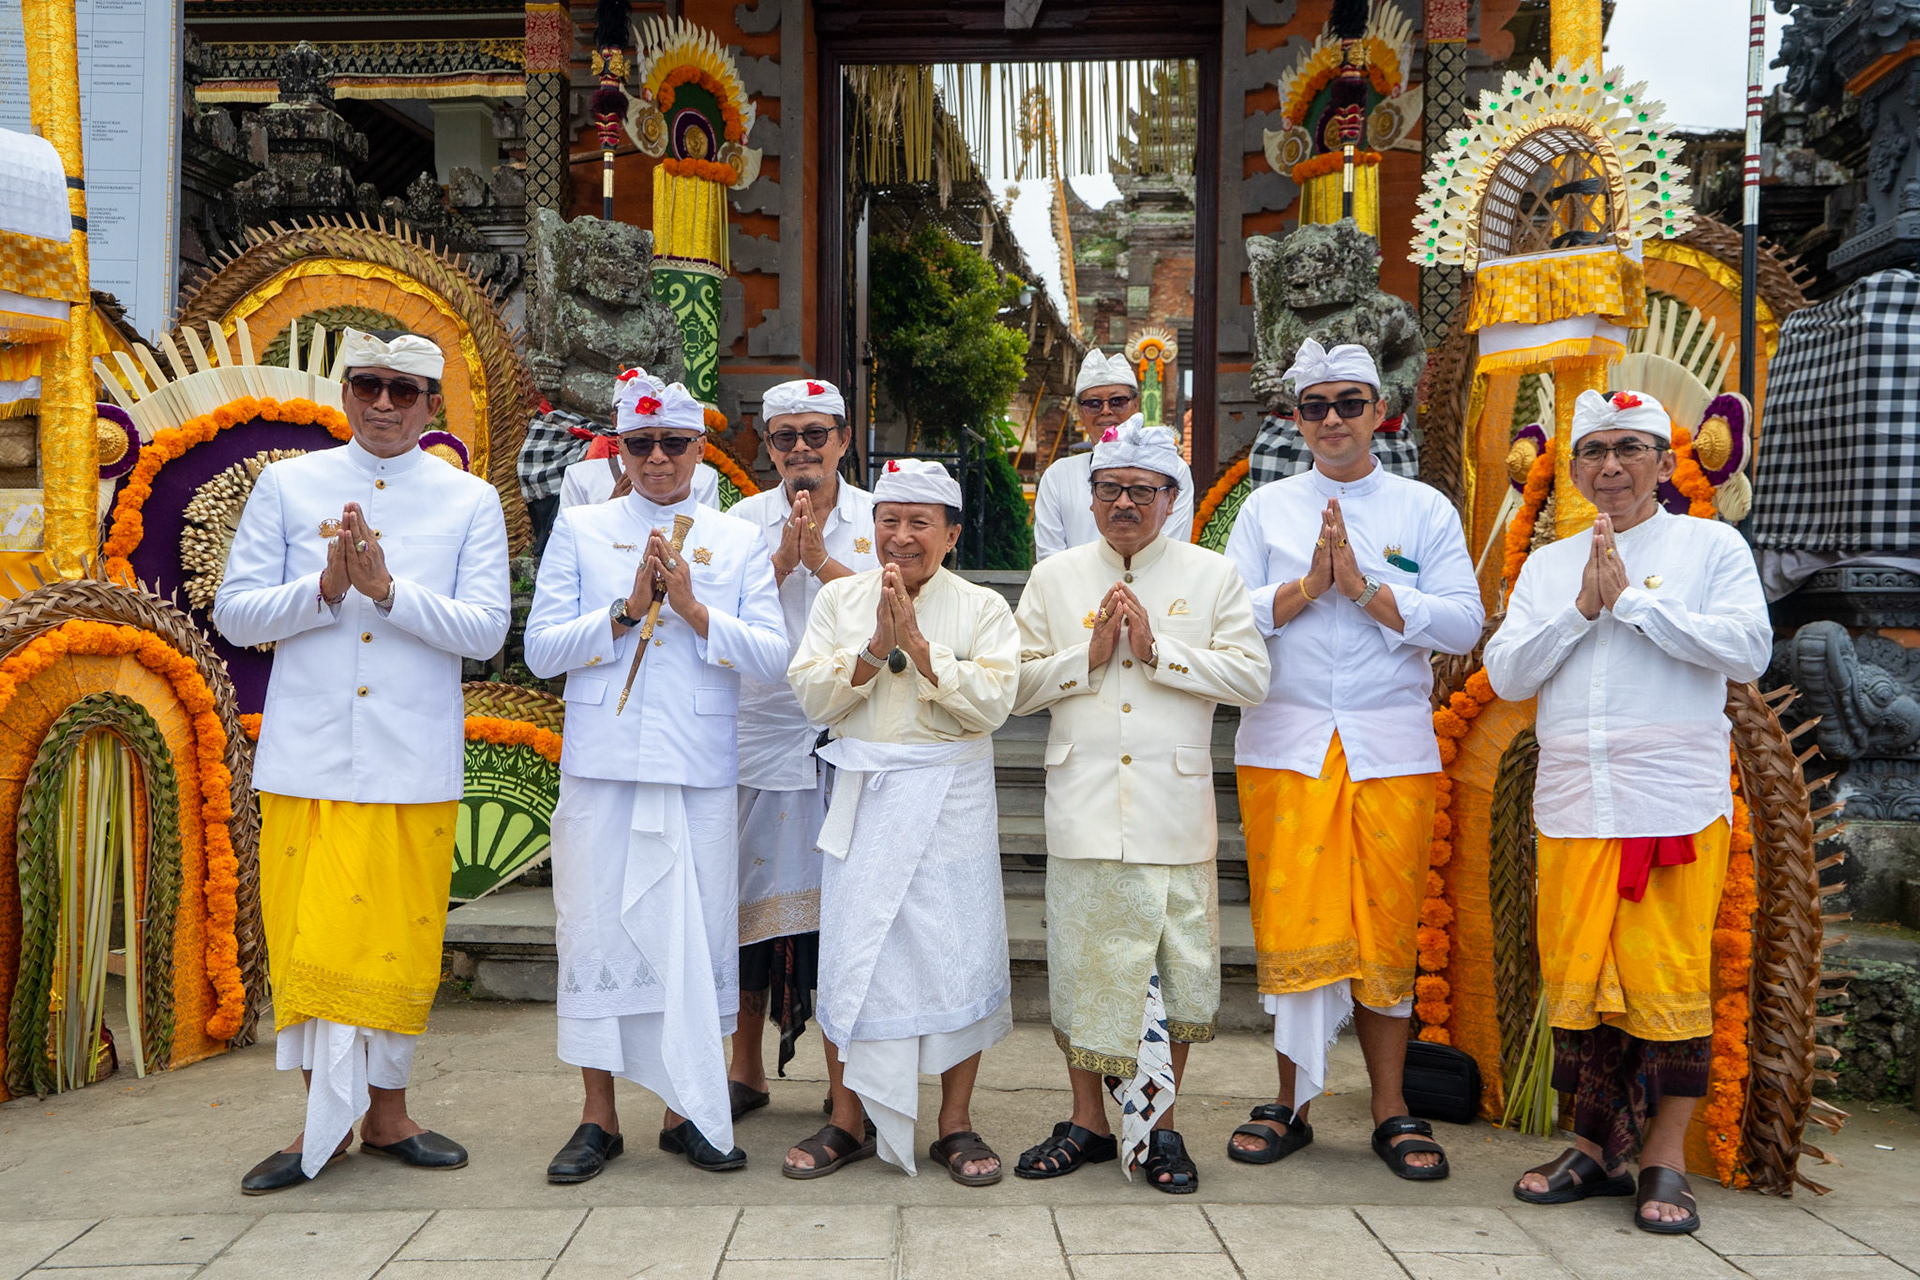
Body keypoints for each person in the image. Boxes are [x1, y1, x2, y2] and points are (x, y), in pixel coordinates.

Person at [214, 329, 511, 1194]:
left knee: (392, 943)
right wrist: (323, 590)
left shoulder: (468, 501)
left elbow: (487, 630)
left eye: (403, 390)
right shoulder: (288, 483)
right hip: (307, 758)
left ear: (432, 404)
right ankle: (323, 1122)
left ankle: (387, 1117)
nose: (384, 403)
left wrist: (388, 593)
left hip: (410, 760)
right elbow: (235, 614)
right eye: (368, 385)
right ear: (345, 393)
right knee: (310, 942)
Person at [1484, 388, 1770, 1235]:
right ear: (1574, 470)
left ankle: (1663, 1160)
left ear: (1662, 461)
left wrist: (1634, 605)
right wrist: (1581, 609)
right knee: (1582, 989)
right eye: (1595, 452)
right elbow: (1507, 674)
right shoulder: (1548, 566)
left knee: (1666, 987)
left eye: (1629, 449)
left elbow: (1748, 651)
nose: (1611, 466)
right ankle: (1592, 1149)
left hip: (1670, 807)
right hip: (1576, 807)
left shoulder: (1710, 546)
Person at [1223, 338, 1484, 1180]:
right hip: (1286, 744)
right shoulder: (1266, 510)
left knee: (1387, 925)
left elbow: (1465, 621)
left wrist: (1369, 591)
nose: (1331, 420)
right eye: (1315, 407)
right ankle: (1291, 1103)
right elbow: (1222, 615)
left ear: (1380, 412)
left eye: (1348, 404)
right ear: (1296, 420)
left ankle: (1389, 1108)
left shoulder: (1422, 510)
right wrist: (1306, 588)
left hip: (1389, 748)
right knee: (1293, 925)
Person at [524, 370, 787, 1183]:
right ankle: (597, 1117)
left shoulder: (735, 538)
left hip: (696, 766)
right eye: (640, 444)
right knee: (595, 931)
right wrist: (627, 610)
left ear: (700, 449)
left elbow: (772, 657)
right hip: (603, 765)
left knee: (695, 938)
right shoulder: (583, 526)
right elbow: (541, 650)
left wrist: (697, 610)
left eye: (674, 442)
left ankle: (687, 1110)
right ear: (620, 450)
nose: (658, 458)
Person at [1011, 419, 1269, 1193]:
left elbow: (1251, 679)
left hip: (1173, 811)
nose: (1124, 503)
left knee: (1175, 973)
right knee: (1084, 972)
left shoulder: (1212, 575)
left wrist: (1161, 653)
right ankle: (1088, 1122)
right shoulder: (1054, 577)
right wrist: (1084, 658)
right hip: (1084, 806)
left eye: (1141, 491)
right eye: (1110, 489)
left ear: (1170, 498)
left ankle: (1158, 1126)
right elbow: (1013, 688)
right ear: (1089, 497)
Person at [783, 460, 1018, 1185]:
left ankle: (955, 1123)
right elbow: (812, 698)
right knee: (854, 954)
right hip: (867, 798)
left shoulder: (983, 607)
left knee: (958, 953)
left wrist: (918, 647)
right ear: (873, 528)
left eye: (921, 523)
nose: (902, 536)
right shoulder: (839, 599)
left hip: (951, 802)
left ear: (951, 535)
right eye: (890, 521)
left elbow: (994, 704)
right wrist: (870, 651)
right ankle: (847, 1119)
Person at [722, 378, 878, 1116]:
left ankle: (846, 1085)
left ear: (843, 440)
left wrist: (819, 564)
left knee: (846, 914)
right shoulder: (739, 523)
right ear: (768, 446)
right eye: (785, 437)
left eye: (816, 434)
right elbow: (711, 620)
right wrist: (778, 564)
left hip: (853, 733)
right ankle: (744, 1070)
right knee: (749, 909)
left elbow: (903, 610)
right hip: (761, 735)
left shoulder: (882, 517)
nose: (801, 449)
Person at [1033, 349, 1194, 559]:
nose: (1106, 410)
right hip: (1073, 581)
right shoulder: (1058, 475)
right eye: (1094, 403)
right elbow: (1050, 559)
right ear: (1080, 411)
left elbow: (1169, 551)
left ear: (1135, 405)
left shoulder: (1171, 469)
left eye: (1117, 401)